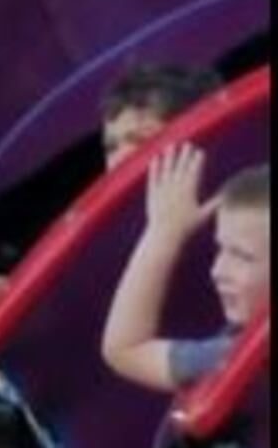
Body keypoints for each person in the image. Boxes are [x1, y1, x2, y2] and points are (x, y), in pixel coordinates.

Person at [0, 61, 222, 331]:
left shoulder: (239, 210)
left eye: (141, 140)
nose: (121, 160)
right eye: (112, 147)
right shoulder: (96, 245)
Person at [101, 152, 269, 393]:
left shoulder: (237, 358)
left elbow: (125, 349)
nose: (217, 271)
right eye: (220, 249)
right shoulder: (231, 350)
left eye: (242, 256)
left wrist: (163, 232)